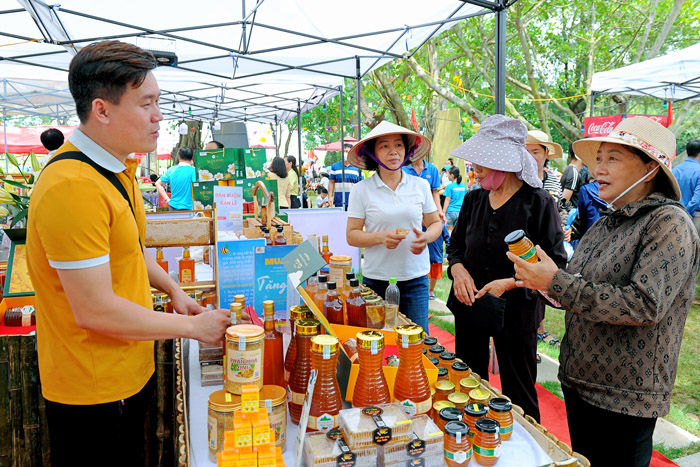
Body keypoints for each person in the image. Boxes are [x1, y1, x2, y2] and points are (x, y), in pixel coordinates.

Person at [25, 40, 233, 466]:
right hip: (92, 388)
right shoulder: (72, 187)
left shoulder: (118, 171)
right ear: (102, 110)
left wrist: (174, 289)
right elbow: (95, 310)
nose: (159, 116)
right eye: (146, 104)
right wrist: (191, 328)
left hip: (128, 371)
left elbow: (132, 252)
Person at [509, 117, 699, 466]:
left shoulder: (669, 223)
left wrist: (556, 282)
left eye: (613, 158)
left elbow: (644, 305)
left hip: (625, 395)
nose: (599, 168)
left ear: (650, 168)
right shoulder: (608, 221)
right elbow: (577, 286)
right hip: (580, 380)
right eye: (598, 158)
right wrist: (540, 279)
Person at [446, 115, 567, 422]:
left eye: (484, 160)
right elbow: (455, 247)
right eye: (475, 160)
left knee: (519, 391)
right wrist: (458, 269)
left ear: (507, 161)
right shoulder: (474, 199)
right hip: (470, 302)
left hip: (517, 311)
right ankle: (471, 437)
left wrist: (509, 282)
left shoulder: (538, 202)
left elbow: (555, 264)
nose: (476, 167)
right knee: (468, 382)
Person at [346, 121, 442, 332]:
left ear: (407, 150)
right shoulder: (361, 190)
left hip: (415, 279)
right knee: (379, 344)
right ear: (373, 153)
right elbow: (352, 236)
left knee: (417, 345)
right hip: (377, 280)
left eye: (398, 145)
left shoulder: (421, 186)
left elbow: (435, 223)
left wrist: (426, 238)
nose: (393, 152)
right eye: (384, 146)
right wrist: (380, 238)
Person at [672, 139, 700, 233]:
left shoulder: (675, 169)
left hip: (675, 215)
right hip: (694, 217)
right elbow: (696, 200)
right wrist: (686, 213)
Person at [526, 129, 563, 200]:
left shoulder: (553, 181)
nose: (530, 157)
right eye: (526, 152)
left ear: (546, 153)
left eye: (535, 152)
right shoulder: (513, 180)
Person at [329, 143, 363, 209]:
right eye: (343, 151)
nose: (345, 153)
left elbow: (361, 184)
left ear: (351, 153)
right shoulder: (335, 166)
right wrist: (330, 196)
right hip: (339, 200)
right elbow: (331, 182)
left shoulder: (358, 167)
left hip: (354, 200)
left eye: (347, 151)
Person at [442, 166, 467, 234]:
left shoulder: (449, 186)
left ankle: (450, 243)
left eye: (448, 174)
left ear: (452, 175)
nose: (447, 176)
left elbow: (447, 200)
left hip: (451, 212)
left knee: (449, 230)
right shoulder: (463, 186)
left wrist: (443, 212)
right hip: (460, 212)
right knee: (457, 232)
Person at [428, 224, 450, 300]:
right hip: (423, 256)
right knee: (425, 275)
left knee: (434, 275)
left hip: (436, 255)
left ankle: (430, 290)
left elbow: (448, 240)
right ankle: (424, 291)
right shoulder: (421, 224)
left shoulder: (441, 225)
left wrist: (447, 255)